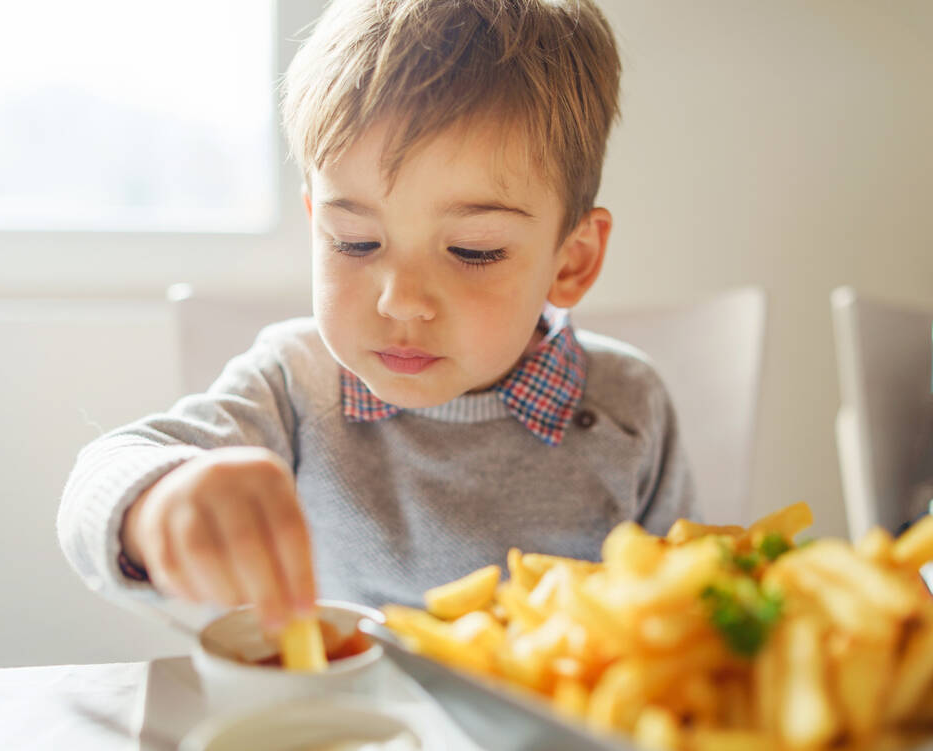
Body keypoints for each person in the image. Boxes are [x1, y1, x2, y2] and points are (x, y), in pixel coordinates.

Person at [58, 0, 695, 634]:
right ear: (316, 225)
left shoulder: (628, 406)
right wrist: (155, 502)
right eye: (355, 242)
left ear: (571, 261)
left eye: (473, 252)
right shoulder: (293, 384)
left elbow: (681, 608)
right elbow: (106, 474)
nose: (400, 300)